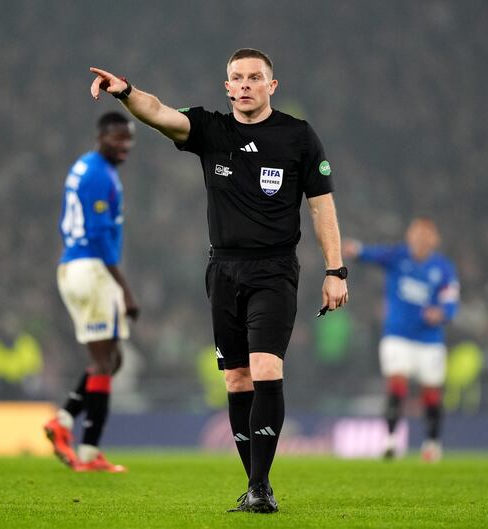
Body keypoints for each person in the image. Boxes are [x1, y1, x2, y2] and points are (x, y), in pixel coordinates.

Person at [89, 48, 348, 512]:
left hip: (275, 269)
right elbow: (158, 113)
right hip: (224, 270)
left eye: (255, 77)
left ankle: (262, 487)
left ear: (272, 85)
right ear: (227, 86)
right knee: (235, 380)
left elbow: (321, 204)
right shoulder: (210, 129)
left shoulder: (298, 136)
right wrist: (124, 91)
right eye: (237, 77)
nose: (245, 84)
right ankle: (254, 485)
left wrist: (335, 269)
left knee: (267, 367)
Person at [44, 111, 139, 473]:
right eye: (118, 138)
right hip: (91, 268)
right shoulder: (100, 175)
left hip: (76, 265)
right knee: (104, 361)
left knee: (112, 360)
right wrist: (125, 288)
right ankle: (87, 452)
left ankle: (65, 421)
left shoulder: (86, 166)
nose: (125, 146)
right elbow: (99, 237)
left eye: (128, 139)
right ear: (101, 136)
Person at [343, 217, 459, 462]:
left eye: (426, 235)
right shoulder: (397, 256)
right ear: (409, 236)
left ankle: (432, 443)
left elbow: (451, 301)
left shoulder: (444, 268)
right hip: (397, 336)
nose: (420, 239)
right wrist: (356, 250)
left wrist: (442, 313)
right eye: (416, 234)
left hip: (430, 340)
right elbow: (371, 254)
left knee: (431, 394)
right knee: (397, 384)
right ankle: (391, 440)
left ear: (434, 240)